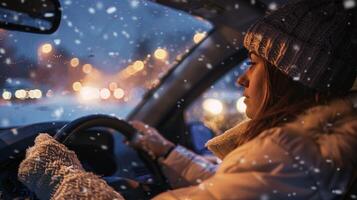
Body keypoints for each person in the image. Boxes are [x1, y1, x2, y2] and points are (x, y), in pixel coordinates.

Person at [18, 0, 357, 199]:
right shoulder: (311, 149)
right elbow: (224, 183)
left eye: (253, 64)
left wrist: (61, 177)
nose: (241, 78)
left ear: (292, 78)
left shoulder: (287, 154)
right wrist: (164, 151)